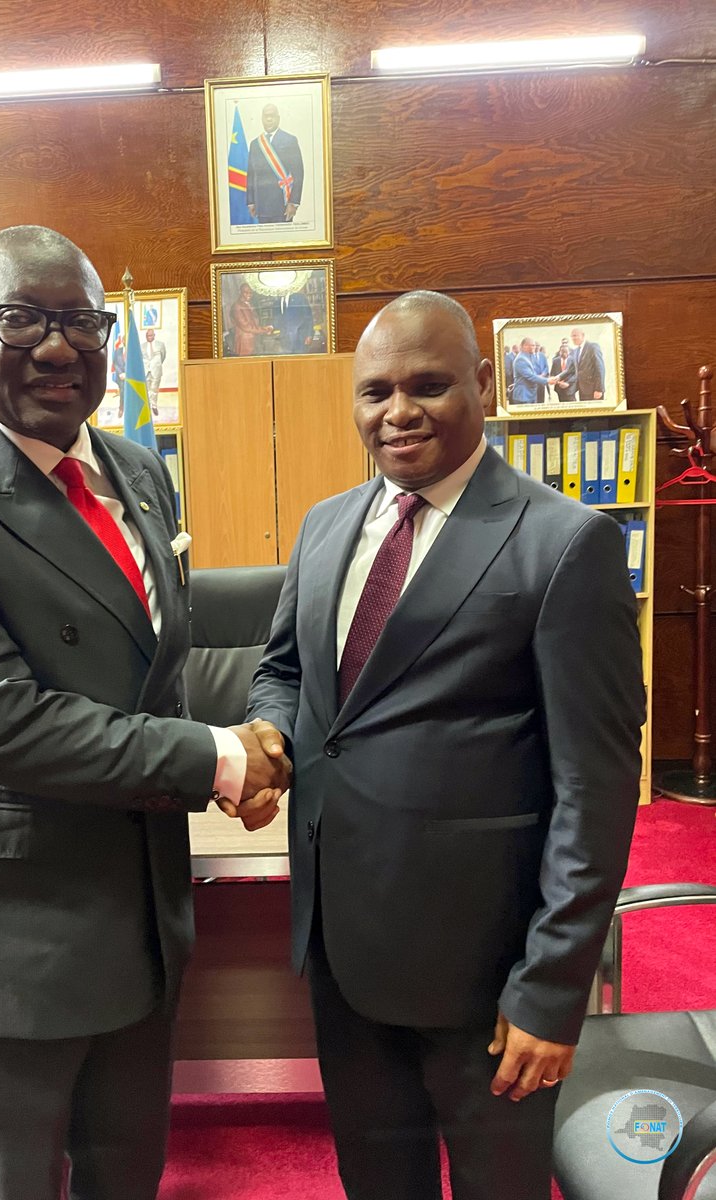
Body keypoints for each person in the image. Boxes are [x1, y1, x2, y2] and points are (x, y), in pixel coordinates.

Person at [0, 225, 288, 1200]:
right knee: (16, 1182)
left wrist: (243, 752)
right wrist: (216, 759)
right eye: (22, 319)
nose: (56, 348)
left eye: (82, 322)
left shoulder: (138, 471)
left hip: (138, 905)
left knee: (129, 1170)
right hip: (6, 922)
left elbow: (151, 668)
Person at [245, 291, 645, 1200]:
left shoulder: (564, 543)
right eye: (375, 391)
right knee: (376, 1179)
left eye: (427, 385)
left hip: (486, 971)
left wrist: (553, 987)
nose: (399, 412)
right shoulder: (325, 526)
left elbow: (596, 786)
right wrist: (271, 732)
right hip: (342, 946)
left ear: (484, 384)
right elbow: (284, 672)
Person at [246, 103, 305, 224]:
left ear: (278, 118)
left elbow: (298, 173)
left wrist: (293, 202)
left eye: (272, 116)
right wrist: (251, 201)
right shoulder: (255, 144)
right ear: (262, 119)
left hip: (282, 205)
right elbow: (251, 174)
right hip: (261, 205)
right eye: (266, 116)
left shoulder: (290, 140)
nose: (269, 119)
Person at [229, 281, 272, 356]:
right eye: (245, 292)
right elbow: (246, 327)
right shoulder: (237, 306)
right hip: (244, 344)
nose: (249, 294)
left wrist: (264, 328)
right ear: (240, 292)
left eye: (250, 292)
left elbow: (253, 322)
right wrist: (264, 330)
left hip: (253, 341)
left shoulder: (249, 304)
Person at [563, 327, 606, 402]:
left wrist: (599, 389)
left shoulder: (593, 347)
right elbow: (573, 370)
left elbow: (600, 368)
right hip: (582, 391)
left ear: (583, 336)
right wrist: (559, 378)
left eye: (575, 335)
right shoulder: (576, 351)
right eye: (572, 336)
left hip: (594, 391)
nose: (573, 338)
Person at [511, 337, 555, 404]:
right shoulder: (521, 359)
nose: (535, 347)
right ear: (525, 346)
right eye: (533, 345)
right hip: (523, 396)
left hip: (530, 395)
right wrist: (547, 380)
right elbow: (531, 376)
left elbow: (533, 373)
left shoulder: (529, 357)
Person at [275, 287, 314, 355]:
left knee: (301, 360)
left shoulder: (300, 298)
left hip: (300, 338)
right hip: (285, 340)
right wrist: (272, 326)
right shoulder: (277, 302)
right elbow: (278, 319)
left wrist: (309, 335)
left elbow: (308, 317)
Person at [141, 325, 166, 415]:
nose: (149, 337)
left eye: (151, 335)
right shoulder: (142, 346)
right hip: (146, 371)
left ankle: (154, 406)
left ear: (154, 335)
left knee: (154, 389)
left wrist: (156, 364)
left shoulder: (160, 344)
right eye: (147, 335)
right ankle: (147, 406)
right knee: (146, 389)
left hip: (156, 370)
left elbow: (163, 356)